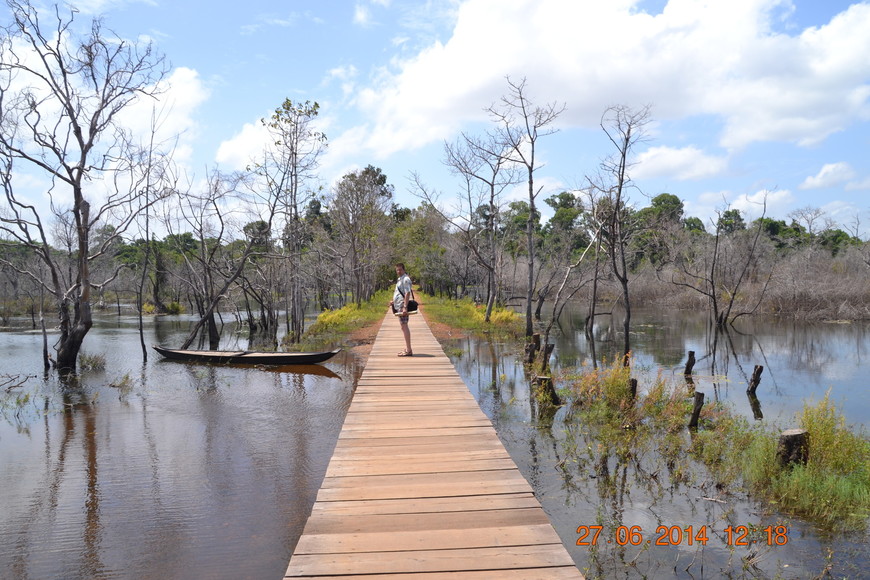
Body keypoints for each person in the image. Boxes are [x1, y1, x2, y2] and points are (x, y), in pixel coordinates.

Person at [391, 262, 413, 356]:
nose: (398, 271)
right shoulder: (400, 279)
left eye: (400, 269)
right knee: (403, 326)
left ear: (404, 269)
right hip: (398, 305)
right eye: (397, 270)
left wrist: (405, 307)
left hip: (402, 306)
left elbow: (407, 293)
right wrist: (393, 302)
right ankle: (407, 349)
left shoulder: (406, 279)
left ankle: (409, 350)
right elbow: (400, 292)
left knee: (404, 326)